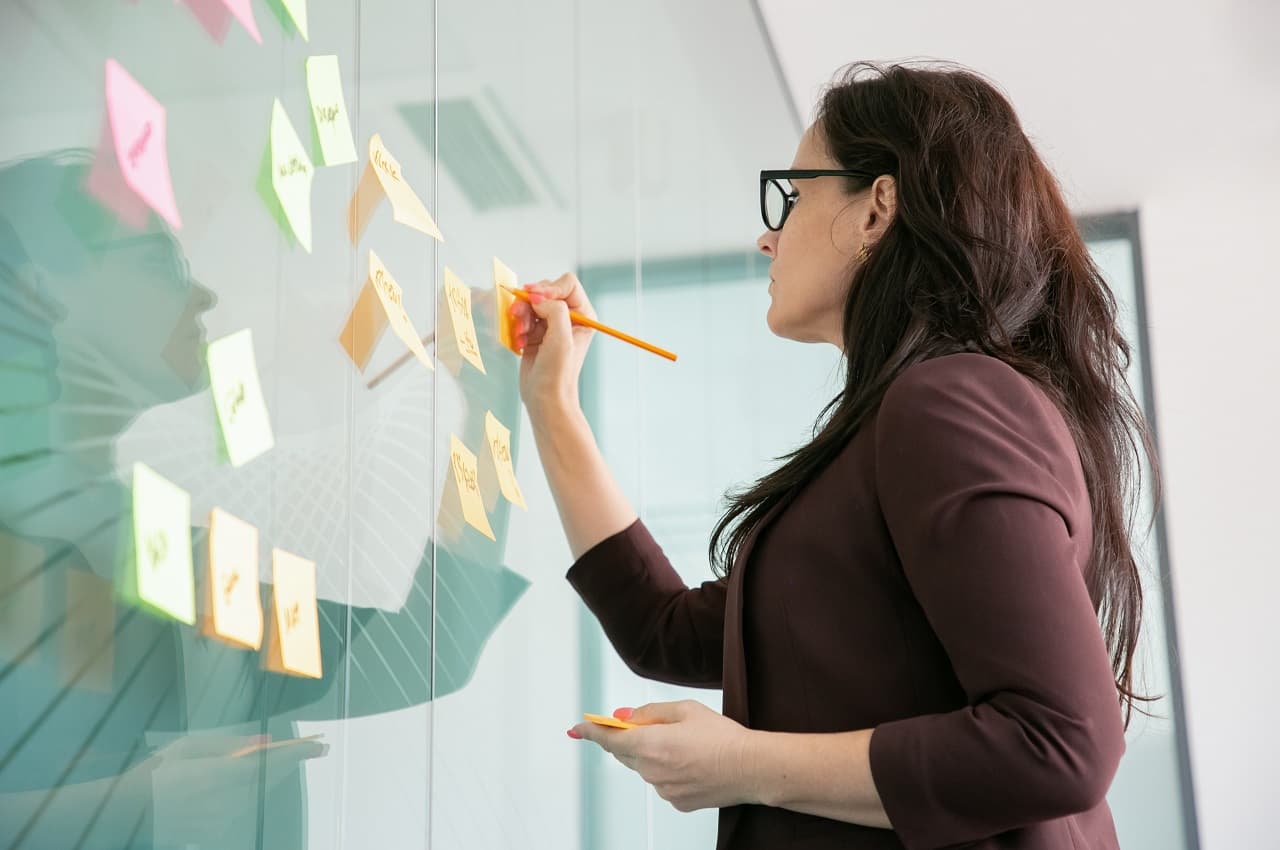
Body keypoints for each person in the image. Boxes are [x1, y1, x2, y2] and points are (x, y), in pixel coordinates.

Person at [507, 61, 1157, 849]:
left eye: (793, 195)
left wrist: (746, 766)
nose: (766, 235)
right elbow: (663, 632)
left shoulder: (945, 402)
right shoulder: (909, 418)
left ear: (876, 209)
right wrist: (552, 403)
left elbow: (1063, 743)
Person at [0, 150, 529, 850]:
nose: (204, 297)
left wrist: (491, 386)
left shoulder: (155, 528)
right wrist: (147, 803)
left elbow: (423, 643)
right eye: (162, 264)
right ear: (41, 290)